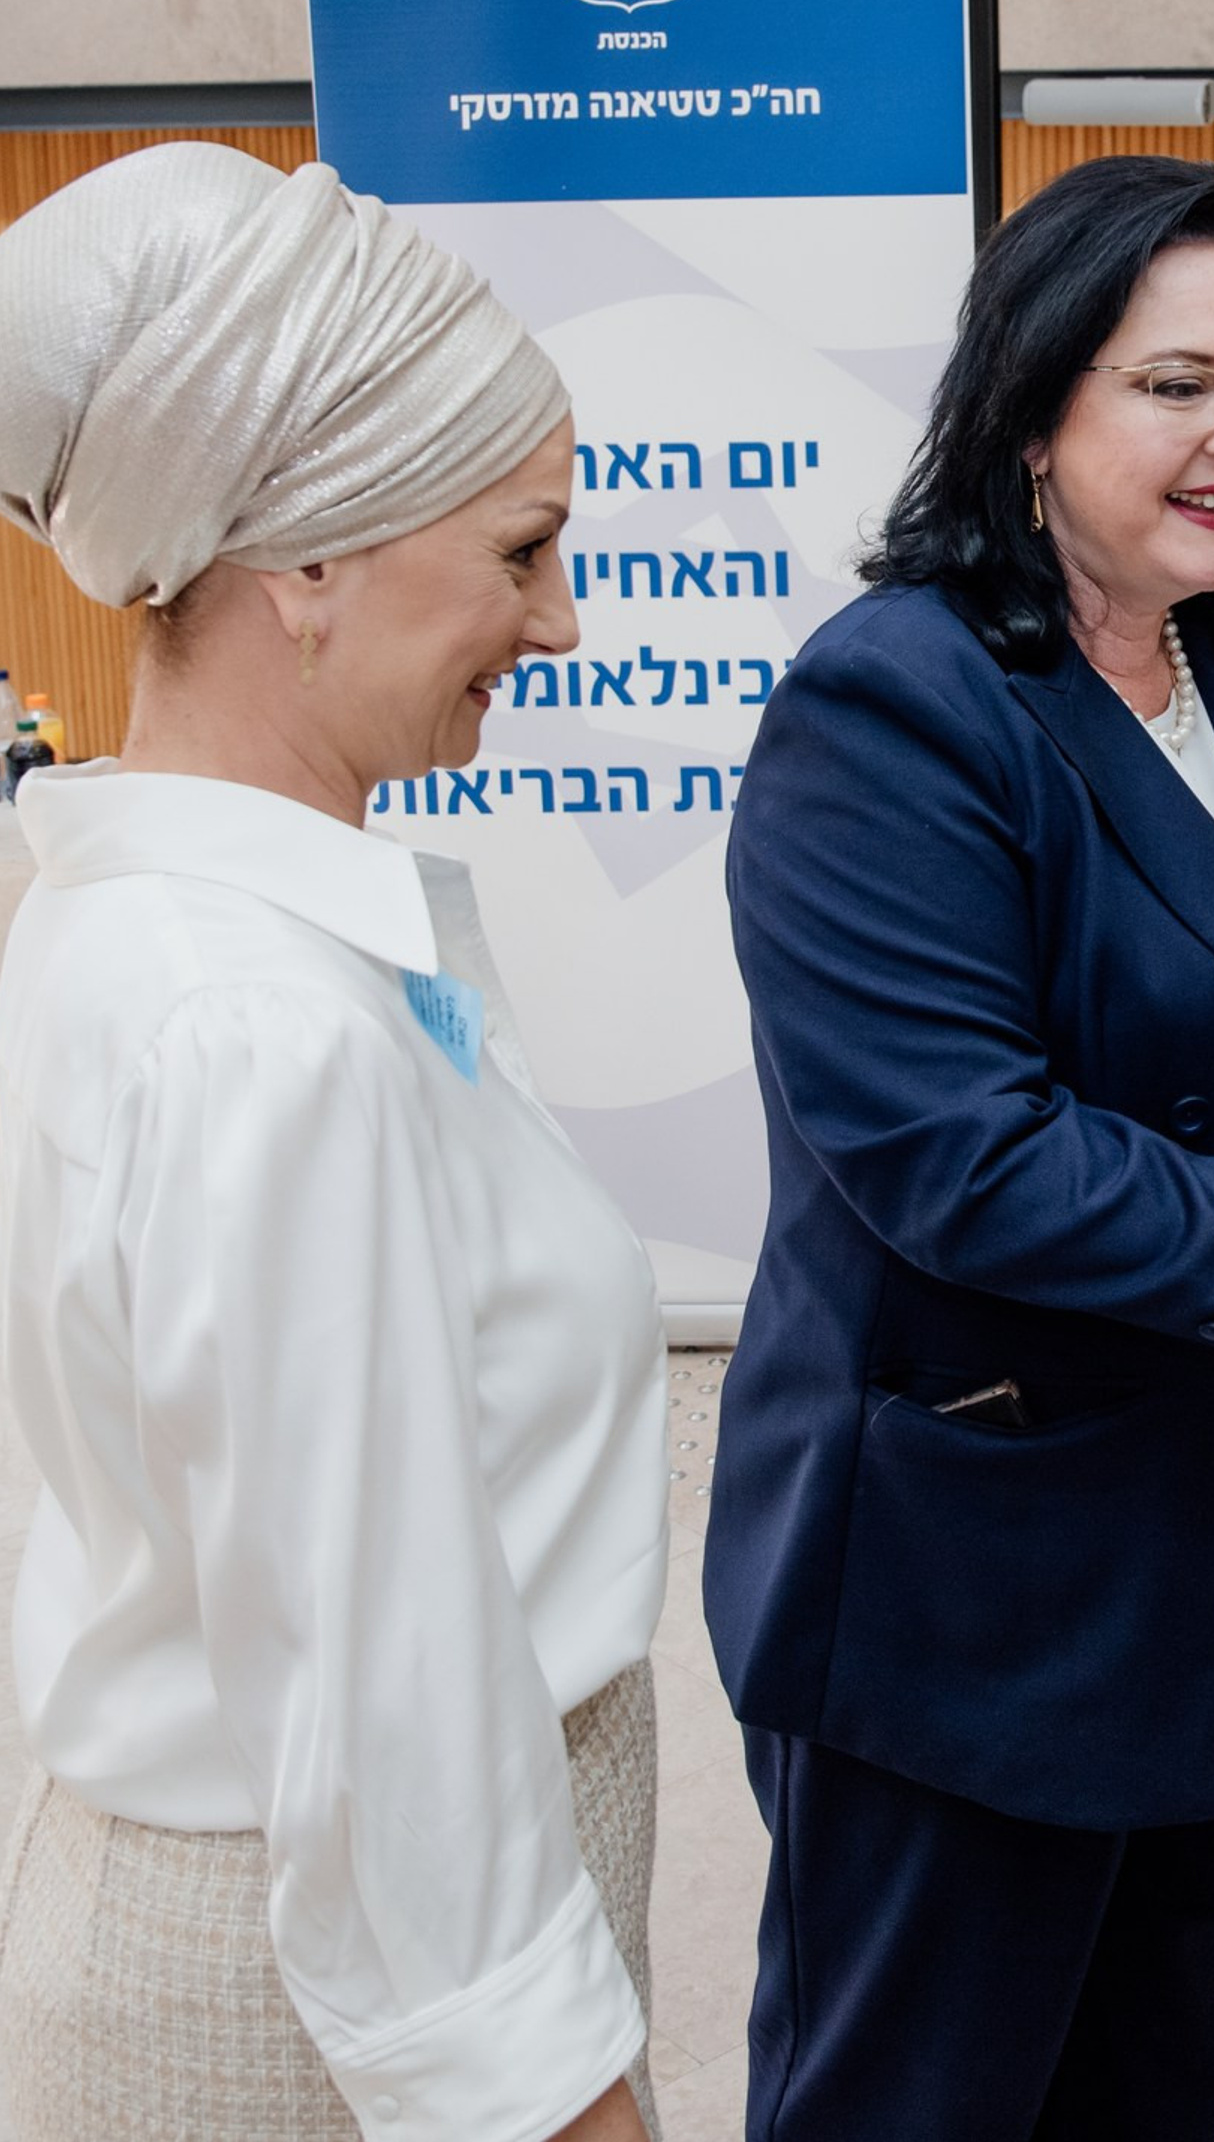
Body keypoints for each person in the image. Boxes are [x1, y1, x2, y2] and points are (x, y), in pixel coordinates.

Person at [705, 155, 1214, 2140]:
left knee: (1161, 2097)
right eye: (1179, 383)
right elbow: (972, 1163)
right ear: (1031, 407)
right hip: (976, 1593)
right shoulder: (896, 706)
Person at [0, 144, 667, 2141]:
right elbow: (383, 1687)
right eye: (522, 549)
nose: (560, 622)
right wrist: (570, 2105)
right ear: (304, 561)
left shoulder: (182, 928)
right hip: (323, 2007)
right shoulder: (260, 1028)